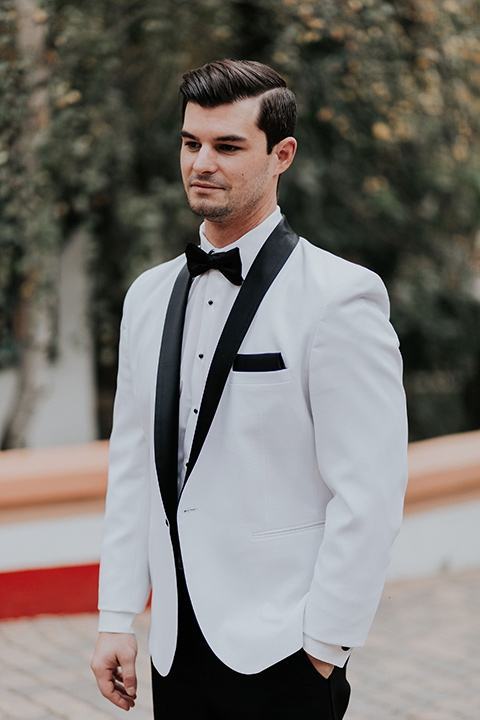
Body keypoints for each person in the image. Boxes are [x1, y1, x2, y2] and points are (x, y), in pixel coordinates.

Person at [91, 59, 408, 719]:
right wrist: (117, 614)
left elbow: (370, 492)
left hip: (284, 647)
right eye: (190, 143)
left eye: (227, 146)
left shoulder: (340, 297)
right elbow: (131, 468)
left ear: (280, 154)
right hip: (174, 649)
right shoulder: (148, 296)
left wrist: (323, 645)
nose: (201, 162)